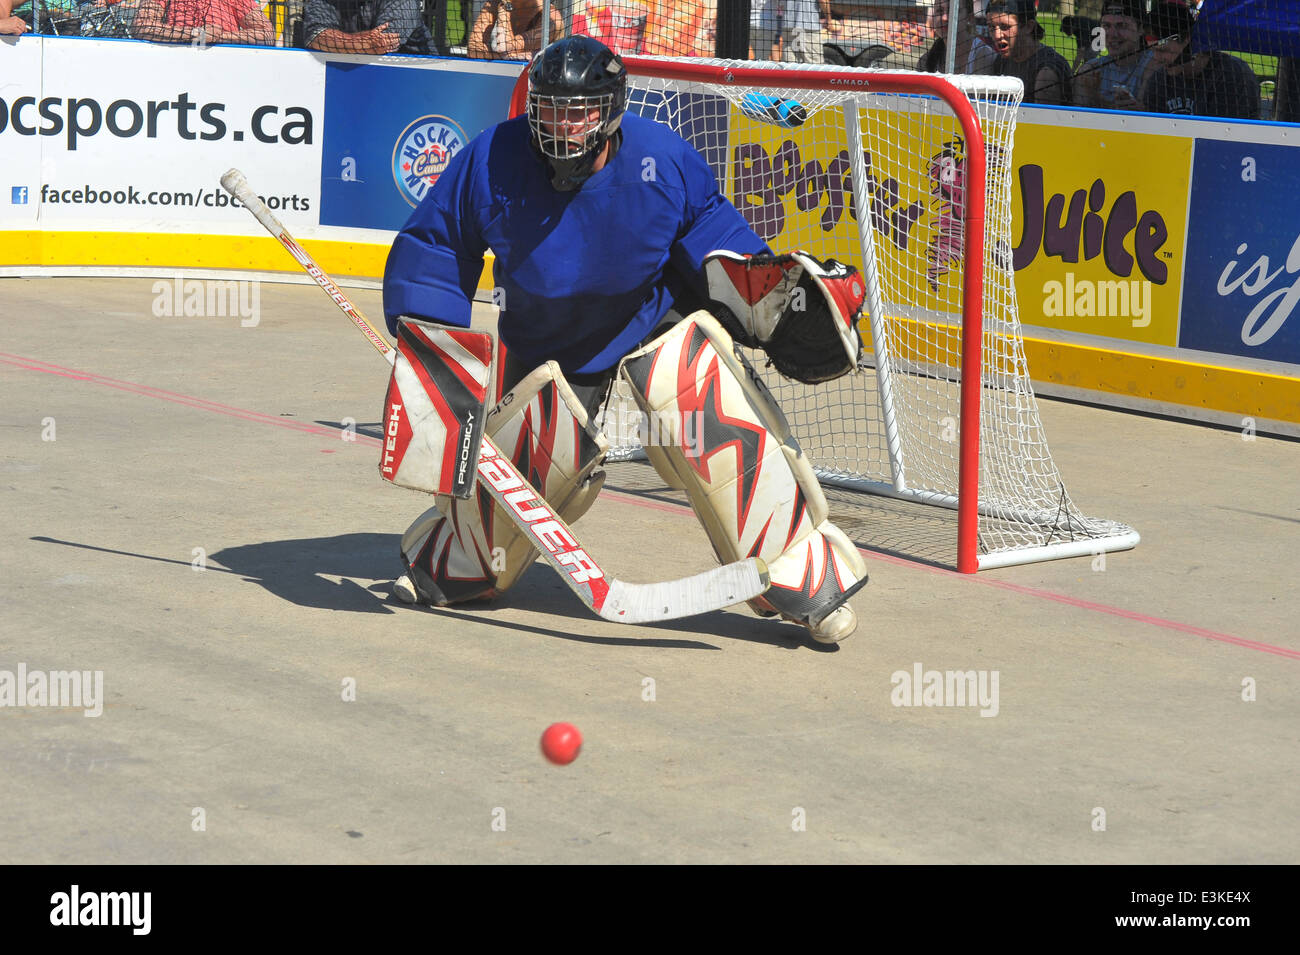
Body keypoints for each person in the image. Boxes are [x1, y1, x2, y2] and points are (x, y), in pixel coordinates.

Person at [381, 36, 870, 643]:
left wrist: (772, 303)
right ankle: (458, 555)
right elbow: (435, 246)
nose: (562, 123)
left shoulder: (661, 160)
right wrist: (432, 347)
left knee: (694, 394)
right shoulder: (491, 159)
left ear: (610, 109)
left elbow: (722, 249)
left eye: (578, 110)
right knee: (533, 460)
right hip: (548, 345)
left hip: (652, 321)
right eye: (551, 107)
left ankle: (798, 566)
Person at [1141, 0, 1259, 119]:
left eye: (1162, 50)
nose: (1156, 58)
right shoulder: (1159, 80)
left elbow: (1225, 132)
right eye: (1153, 51)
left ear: (1187, 38)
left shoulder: (1231, 75)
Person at [1073, 0, 1160, 110]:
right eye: (1106, 26)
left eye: (1122, 26)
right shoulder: (1090, 71)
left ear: (1141, 29)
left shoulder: (1154, 66)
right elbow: (1078, 119)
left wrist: (1097, 98)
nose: (1112, 34)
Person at [986, 0, 1072, 104]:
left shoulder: (1046, 72)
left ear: (1028, 26)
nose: (997, 35)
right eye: (991, 27)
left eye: (1005, 27)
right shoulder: (1001, 62)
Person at [303, 0, 429, 55]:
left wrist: (341, 43)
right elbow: (314, 36)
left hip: (416, 81)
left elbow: (384, 45)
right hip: (347, 76)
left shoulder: (402, 2)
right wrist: (365, 43)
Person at [132, 0, 273, 44]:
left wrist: (219, 37)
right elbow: (141, 27)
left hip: (226, 68)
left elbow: (267, 34)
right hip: (176, 64)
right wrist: (196, 34)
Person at [916, 0, 997, 75]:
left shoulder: (984, 56)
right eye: (940, 11)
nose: (945, 18)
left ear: (969, 17)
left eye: (953, 11)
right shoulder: (926, 61)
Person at [467, 0, 563, 60]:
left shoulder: (552, 19)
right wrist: (507, 57)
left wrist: (504, 11)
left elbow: (504, 46)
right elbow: (472, 48)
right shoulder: (496, 3)